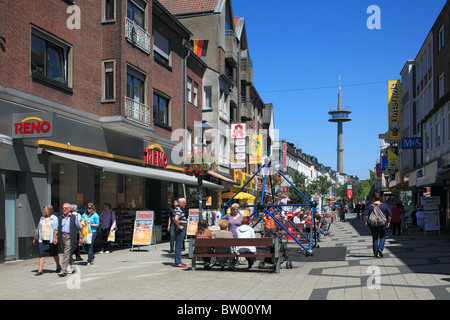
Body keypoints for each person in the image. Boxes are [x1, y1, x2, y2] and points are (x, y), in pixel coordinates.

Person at [33, 204, 61, 276]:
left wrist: (55, 237)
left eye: (45, 210)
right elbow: (38, 228)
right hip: (42, 239)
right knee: (41, 254)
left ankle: (58, 266)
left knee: (54, 254)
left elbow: (55, 229)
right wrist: (35, 238)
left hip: (51, 239)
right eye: (44, 210)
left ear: (50, 210)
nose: (44, 211)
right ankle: (40, 270)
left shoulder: (54, 218)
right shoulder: (42, 218)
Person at [58, 203, 83, 277]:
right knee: (67, 253)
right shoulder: (60, 218)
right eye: (63, 208)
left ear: (69, 209)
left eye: (65, 208)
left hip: (70, 236)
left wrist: (80, 237)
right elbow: (57, 228)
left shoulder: (74, 217)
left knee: (66, 253)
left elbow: (79, 228)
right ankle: (73, 267)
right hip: (62, 237)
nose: (64, 209)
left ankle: (63, 270)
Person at [364, 193, 392, 258]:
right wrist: (388, 223)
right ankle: (381, 248)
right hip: (382, 223)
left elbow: (366, 215)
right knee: (383, 236)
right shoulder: (384, 206)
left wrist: (366, 222)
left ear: (374, 198)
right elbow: (390, 214)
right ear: (380, 198)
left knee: (375, 237)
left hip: (373, 224)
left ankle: (375, 253)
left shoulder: (370, 206)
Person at [80, 202, 100, 266]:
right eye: (87, 208)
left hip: (92, 232)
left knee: (90, 246)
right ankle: (92, 256)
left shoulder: (95, 215)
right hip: (86, 232)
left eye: (89, 208)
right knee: (85, 246)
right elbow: (80, 220)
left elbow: (97, 224)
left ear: (92, 208)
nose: (88, 209)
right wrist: (83, 221)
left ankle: (89, 261)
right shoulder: (84, 214)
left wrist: (90, 224)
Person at [173, 198, 188, 267]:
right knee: (178, 246)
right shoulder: (178, 209)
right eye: (184, 203)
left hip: (181, 229)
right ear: (180, 203)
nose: (185, 204)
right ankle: (178, 262)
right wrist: (179, 226)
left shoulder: (180, 209)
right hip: (180, 230)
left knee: (179, 245)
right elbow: (176, 218)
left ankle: (179, 261)